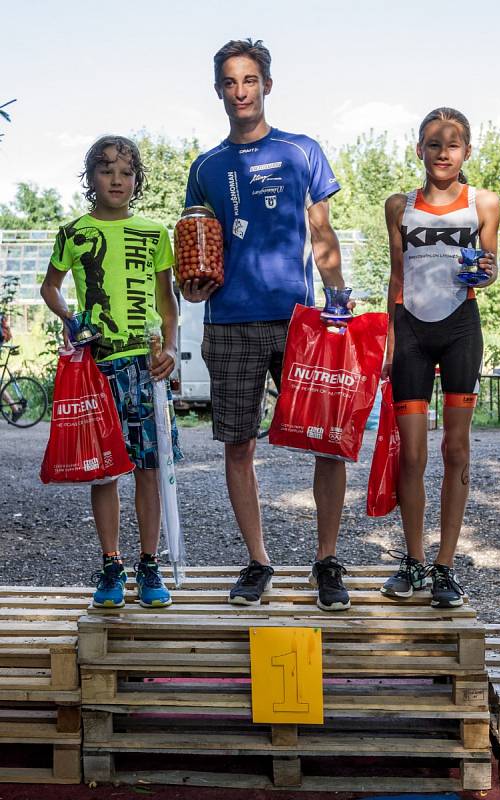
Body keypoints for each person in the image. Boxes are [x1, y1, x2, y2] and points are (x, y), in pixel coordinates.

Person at [183, 38, 351, 611]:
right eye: (229, 82)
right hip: (229, 321)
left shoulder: (302, 151)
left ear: (267, 85)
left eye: (249, 80)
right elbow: (195, 252)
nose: (240, 91)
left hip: (298, 319)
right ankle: (258, 563)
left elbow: (322, 234)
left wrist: (338, 301)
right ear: (218, 92)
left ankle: (326, 561)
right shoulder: (205, 167)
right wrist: (191, 287)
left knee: (327, 440)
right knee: (238, 446)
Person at [40, 135, 181, 609]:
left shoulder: (154, 232)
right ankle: (111, 565)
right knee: (105, 472)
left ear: (137, 179)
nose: (116, 179)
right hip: (98, 367)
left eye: (125, 171)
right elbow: (50, 288)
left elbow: (168, 304)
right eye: (105, 169)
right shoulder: (73, 232)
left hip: (145, 365)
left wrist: (171, 349)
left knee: (149, 467)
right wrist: (71, 319)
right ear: (90, 178)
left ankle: (148, 564)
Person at [380, 107, 500, 608]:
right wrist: (388, 341)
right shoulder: (398, 205)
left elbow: (489, 268)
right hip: (410, 331)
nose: (443, 152)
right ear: (419, 151)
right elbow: (397, 276)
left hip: (459, 331)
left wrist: (486, 272)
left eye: (453, 145)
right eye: (433, 144)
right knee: (411, 454)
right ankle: (412, 561)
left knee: (456, 452)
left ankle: (445, 567)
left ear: (466, 152)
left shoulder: (484, 202)